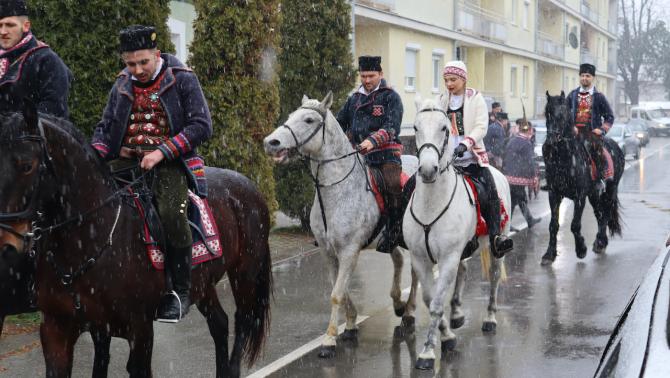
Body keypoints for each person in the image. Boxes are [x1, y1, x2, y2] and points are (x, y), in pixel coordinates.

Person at [91, 25, 212, 323]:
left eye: (143, 62)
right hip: (126, 164)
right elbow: (105, 130)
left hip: (171, 163)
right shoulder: (121, 83)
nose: (138, 69)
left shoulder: (183, 78)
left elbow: (201, 125)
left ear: (157, 54)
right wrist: (94, 153)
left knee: (171, 213)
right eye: (131, 64)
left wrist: (161, 152)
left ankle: (180, 292)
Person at [439, 61, 513, 258]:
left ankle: (496, 237)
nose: (449, 84)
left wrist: (466, 143)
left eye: (453, 80)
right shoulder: (441, 100)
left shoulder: (475, 98)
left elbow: (481, 126)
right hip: (447, 162)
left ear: (463, 79)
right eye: (446, 80)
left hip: (471, 159)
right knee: (416, 184)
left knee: (490, 192)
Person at [336, 55, 404, 254]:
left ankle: (393, 232)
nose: (366, 80)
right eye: (363, 76)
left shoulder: (391, 97)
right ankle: (331, 230)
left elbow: (392, 127)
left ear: (380, 74)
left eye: (371, 76)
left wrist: (372, 141)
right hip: (358, 155)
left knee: (393, 184)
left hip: (386, 155)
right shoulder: (354, 99)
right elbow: (340, 124)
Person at [0, 0, 72, 117]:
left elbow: (54, 111)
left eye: (10, 25)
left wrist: (14, 126)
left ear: (26, 26)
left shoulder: (47, 60)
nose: (3, 31)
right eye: (0, 25)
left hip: (30, 133)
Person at [567, 63, 614, 193]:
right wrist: (571, 127)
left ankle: (599, 178)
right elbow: (565, 114)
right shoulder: (572, 95)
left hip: (592, 133)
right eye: (582, 75)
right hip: (574, 133)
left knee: (597, 151)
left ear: (593, 78)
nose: (584, 78)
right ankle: (556, 179)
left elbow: (609, 117)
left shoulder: (599, 96)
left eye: (587, 76)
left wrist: (602, 129)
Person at [503, 119, 541, 231]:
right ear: (528, 130)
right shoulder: (526, 143)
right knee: (516, 200)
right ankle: (507, 224)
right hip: (519, 176)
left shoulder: (512, 140)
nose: (532, 132)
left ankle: (528, 220)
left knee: (518, 199)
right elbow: (529, 161)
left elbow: (506, 155)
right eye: (531, 130)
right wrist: (534, 176)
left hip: (509, 174)